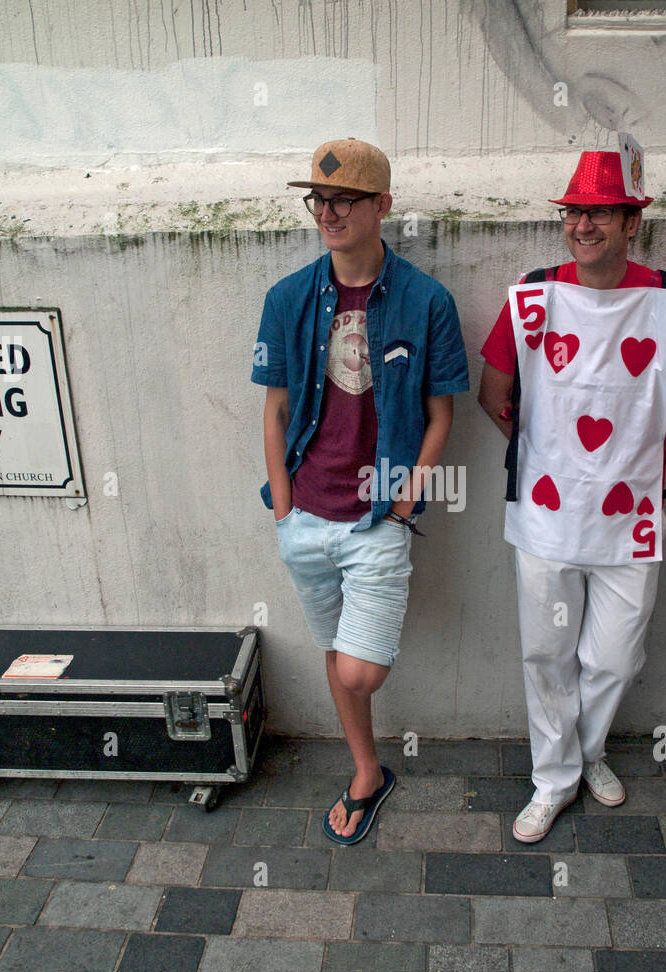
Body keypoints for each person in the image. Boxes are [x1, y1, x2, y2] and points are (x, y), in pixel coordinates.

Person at [477, 150, 666, 842]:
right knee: (545, 651)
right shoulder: (534, 292)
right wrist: (553, 455)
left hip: (632, 512)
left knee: (613, 656)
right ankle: (553, 778)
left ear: (631, 220)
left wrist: (629, 450)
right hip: (548, 510)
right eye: (574, 210)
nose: (583, 223)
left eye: (599, 211)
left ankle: (589, 753)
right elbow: (496, 387)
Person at [252, 138, 469, 844]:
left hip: (377, 515)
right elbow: (276, 408)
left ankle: (371, 764)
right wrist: (283, 507)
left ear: (382, 205)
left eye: (345, 199)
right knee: (331, 645)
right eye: (318, 198)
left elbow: (442, 416)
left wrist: (404, 504)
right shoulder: (288, 299)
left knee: (360, 668)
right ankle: (367, 771)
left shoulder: (427, 300)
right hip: (304, 513)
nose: (328, 211)